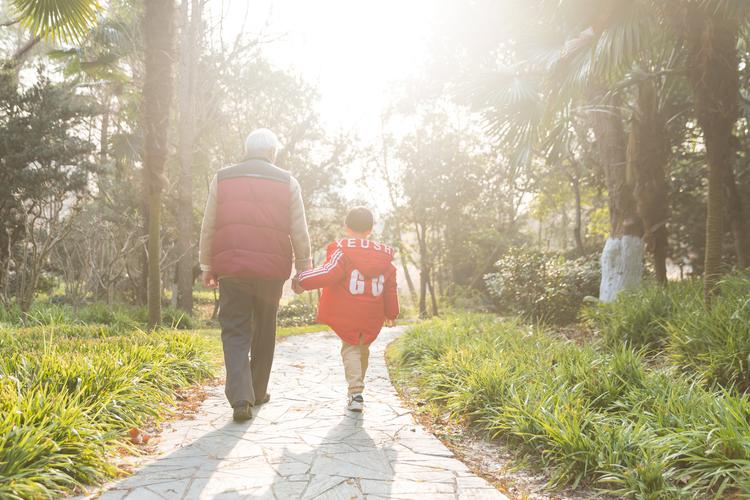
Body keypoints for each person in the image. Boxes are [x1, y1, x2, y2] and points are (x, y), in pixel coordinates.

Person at [199, 128, 312, 422]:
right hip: (271, 270)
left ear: (246, 149)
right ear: (272, 153)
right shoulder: (288, 182)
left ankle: (241, 396)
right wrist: (304, 268)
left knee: (234, 329)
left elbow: (209, 224)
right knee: (265, 328)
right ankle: (258, 391)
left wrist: (207, 264)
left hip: (232, 267)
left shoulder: (223, 178)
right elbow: (299, 229)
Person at [292, 207, 399, 412]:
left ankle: (356, 392)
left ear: (347, 227)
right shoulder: (384, 257)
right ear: (370, 229)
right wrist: (392, 313)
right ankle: (357, 390)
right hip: (372, 313)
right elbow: (390, 288)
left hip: (349, 311)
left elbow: (329, 272)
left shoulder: (342, 249)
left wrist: (302, 279)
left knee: (350, 347)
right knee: (362, 348)